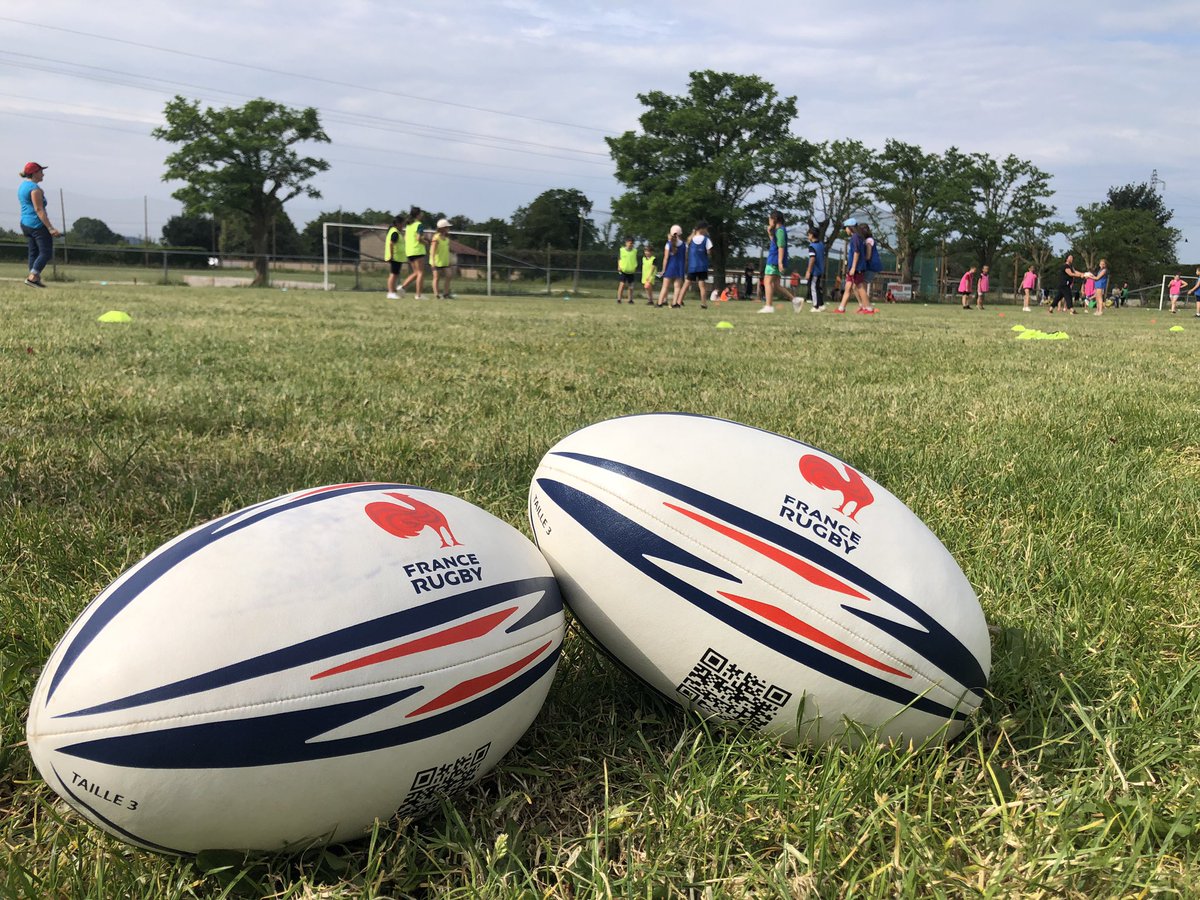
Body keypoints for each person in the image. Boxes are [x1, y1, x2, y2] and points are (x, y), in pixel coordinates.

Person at [17, 162, 61, 288]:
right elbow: (39, 209)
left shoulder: (23, 186)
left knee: (33, 252)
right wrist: (51, 228)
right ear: (35, 173)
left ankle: (34, 279)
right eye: (41, 171)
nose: (43, 174)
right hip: (37, 224)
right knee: (46, 252)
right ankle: (33, 276)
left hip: (25, 223)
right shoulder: (34, 189)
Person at [760, 210, 797, 313]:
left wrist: (780, 262)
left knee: (767, 281)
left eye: (770, 219)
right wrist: (769, 233)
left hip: (774, 259)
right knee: (776, 284)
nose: (769, 221)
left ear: (774, 220)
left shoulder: (780, 230)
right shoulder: (779, 231)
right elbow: (775, 243)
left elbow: (781, 246)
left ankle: (768, 306)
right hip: (775, 259)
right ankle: (795, 300)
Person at [834, 218, 872, 314]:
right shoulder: (859, 237)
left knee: (860, 287)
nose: (845, 230)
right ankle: (841, 308)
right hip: (854, 267)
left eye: (845, 228)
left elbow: (856, 252)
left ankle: (868, 308)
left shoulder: (855, 237)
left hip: (856, 268)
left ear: (850, 227)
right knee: (848, 287)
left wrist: (853, 267)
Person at [680, 221, 713, 309]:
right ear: (703, 229)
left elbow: (687, 252)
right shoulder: (706, 240)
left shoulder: (691, 239)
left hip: (692, 266)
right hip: (702, 266)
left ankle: (679, 301)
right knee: (702, 286)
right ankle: (703, 303)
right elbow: (709, 252)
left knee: (686, 284)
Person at [399, 206, 428, 299]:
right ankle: (418, 295)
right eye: (421, 213)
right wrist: (426, 242)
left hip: (409, 251)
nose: (422, 214)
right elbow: (419, 238)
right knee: (420, 273)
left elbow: (405, 238)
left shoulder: (409, 225)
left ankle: (402, 288)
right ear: (418, 214)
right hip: (418, 250)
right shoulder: (419, 224)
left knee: (416, 273)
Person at [659, 224, 686, 307]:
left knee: (665, 286)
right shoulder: (684, 245)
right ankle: (675, 303)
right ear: (680, 233)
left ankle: (660, 302)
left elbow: (666, 258)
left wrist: (663, 270)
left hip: (670, 266)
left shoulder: (668, 244)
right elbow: (686, 258)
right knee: (677, 287)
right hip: (680, 266)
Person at [801, 226, 826, 312]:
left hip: (814, 271)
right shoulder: (821, 244)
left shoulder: (812, 246)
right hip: (820, 270)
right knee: (817, 287)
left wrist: (808, 271)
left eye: (808, 235)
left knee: (813, 287)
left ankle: (816, 306)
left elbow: (812, 259)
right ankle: (821, 304)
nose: (808, 237)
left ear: (811, 235)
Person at [429, 218, 454, 299]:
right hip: (436, 261)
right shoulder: (436, 238)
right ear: (442, 228)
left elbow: (448, 251)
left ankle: (446, 294)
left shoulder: (447, 239)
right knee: (436, 278)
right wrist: (433, 262)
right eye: (447, 227)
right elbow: (432, 251)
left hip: (445, 262)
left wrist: (449, 260)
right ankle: (437, 294)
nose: (448, 229)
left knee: (449, 275)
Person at [384, 213, 406, 300]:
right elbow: (391, 244)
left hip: (398, 257)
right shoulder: (395, 232)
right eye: (402, 224)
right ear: (398, 224)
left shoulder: (395, 231)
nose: (403, 226)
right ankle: (390, 292)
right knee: (393, 274)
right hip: (395, 257)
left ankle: (393, 291)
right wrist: (391, 255)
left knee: (395, 274)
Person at [616, 236, 638, 304]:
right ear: (626, 243)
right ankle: (619, 299)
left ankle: (630, 299)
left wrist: (635, 267)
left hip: (631, 271)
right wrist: (619, 266)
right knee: (622, 285)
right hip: (623, 270)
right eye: (629, 243)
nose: (630, 244)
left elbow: (634, 260)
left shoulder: (635, 251)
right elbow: (619, 259)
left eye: (632, 243)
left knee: (631, 286)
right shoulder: (622, 250)